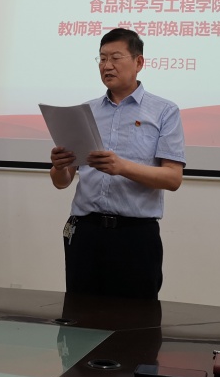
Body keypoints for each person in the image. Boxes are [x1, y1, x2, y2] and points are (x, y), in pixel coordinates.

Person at [49, 28, 185, 299]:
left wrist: (122, 167)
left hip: (135, 236)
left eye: (115, 58)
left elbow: (173, 178)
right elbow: (62, 182)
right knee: (79, 314)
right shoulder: (85, 111)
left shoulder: (164, 111)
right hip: (85, 232)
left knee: (136, 319)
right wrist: (59, 166)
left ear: (138, 62)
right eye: (101, 59)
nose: (107, 65)